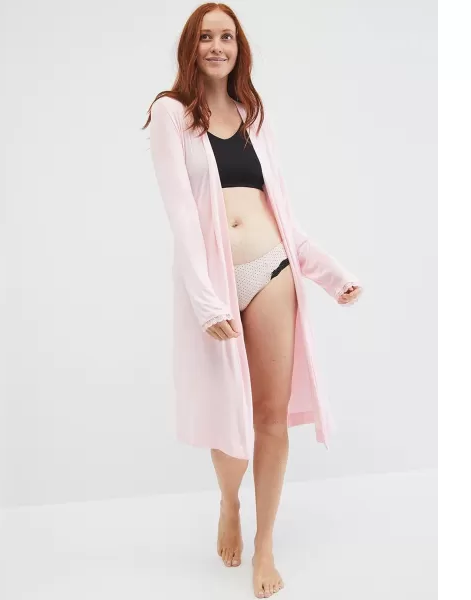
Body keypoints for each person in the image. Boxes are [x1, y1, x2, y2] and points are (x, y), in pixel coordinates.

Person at [142, 4, 363, 598]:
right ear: (190, 47)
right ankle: (229, 501)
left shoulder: (252, 115)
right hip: (214, 283)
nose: (218, 46)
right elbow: (181, 217)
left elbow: (282, 212)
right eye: (206, 37)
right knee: (227, 415)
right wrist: (206, 301)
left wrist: (332, 274)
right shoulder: (170, 114)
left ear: (239, 48)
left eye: (227, 37)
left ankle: (266, 544)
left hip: (271, 270)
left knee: (270, 415)